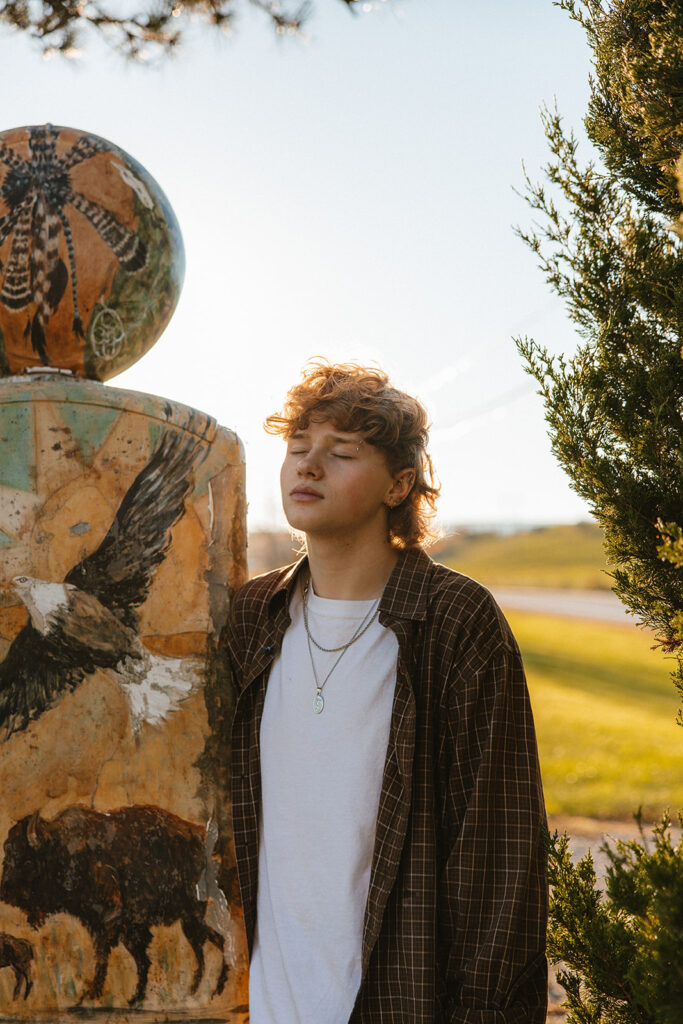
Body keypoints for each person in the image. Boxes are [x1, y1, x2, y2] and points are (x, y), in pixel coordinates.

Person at [225, 361, 548, 1024]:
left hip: (398, 1002)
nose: (307, 467)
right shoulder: (249, 617)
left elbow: (499, 864)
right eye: (296, 448)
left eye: (341, 453)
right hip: (263, 1006)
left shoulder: (456, 622)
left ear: (399, 484)